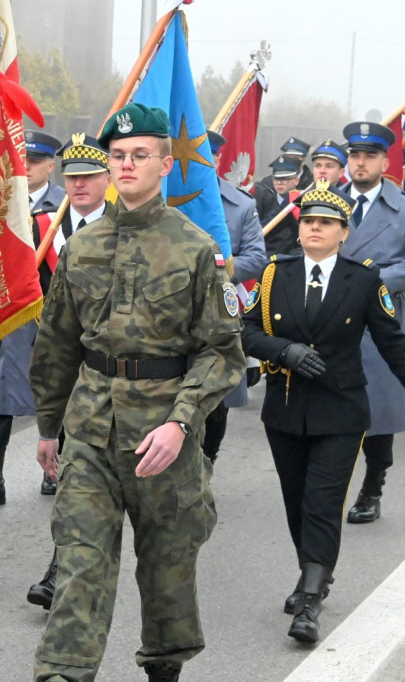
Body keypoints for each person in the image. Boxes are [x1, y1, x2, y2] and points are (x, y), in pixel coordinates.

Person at [30, 102, 245, 682]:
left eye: (139, 155)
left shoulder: (195, 248)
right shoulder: (82, 247)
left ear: (164, 162)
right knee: (80, 562)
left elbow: (221, 353)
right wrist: (49, 427)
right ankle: (63, 673)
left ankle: (164, 669)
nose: (126, 165)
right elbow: (56, 344)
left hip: (162, 435)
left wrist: (180, 424)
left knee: (167, 568)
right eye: (118, 156)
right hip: (92, 428)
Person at [241, 178, 405, 643]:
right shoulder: (276, 274)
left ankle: (311, 600)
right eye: (308, 221)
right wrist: (284, 350)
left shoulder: (365, 279)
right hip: (286, 409)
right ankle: (310, 573)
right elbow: (247, 331)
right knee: (297, 503)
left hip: (342, 411)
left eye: (326, 223)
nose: (315, 228)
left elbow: (393, 345)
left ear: (343, 233)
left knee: (322, 503)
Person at [26, 131, 113, 609]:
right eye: (71, 176)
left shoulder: (124, 230)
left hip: (109, 372)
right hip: (60, 361)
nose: (78, 185)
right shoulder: (43, 226)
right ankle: (61, 568)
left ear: (107, 178)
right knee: (77, 478)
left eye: (88, 176)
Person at [0, 129, 64, 506]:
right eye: (22, 161)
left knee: (55, 389)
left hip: (51, 313)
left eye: (34, 162)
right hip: (8, 312)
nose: (26, 168)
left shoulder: (63, 205)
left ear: (51, 165)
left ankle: (53, 470)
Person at [340, 121, 405, 524]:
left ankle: (373, 486)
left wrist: (373, 279)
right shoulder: (324, 202)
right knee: (332, 406)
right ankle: (327, 485)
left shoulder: (401, 209)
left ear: (384, 161)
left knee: (376, 410)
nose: (360, 162)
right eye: (355, 155)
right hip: (330, 320)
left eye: (369, 156)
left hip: (380, 320)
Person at [201, 130, 267, 462]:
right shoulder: (163, 197)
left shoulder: (241, 205)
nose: (203, 161)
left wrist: (215, 268)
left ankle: (208, 460)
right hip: (167, 314)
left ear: (216, 160)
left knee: (217, 401)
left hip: (220, 314)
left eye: (209, 156)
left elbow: (257, 257)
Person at [258, 156, 302, 257]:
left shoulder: (299, 201)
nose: (279, 182)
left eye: (285, 179)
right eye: (277, 179)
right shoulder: (262, 198)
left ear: (296, 181)